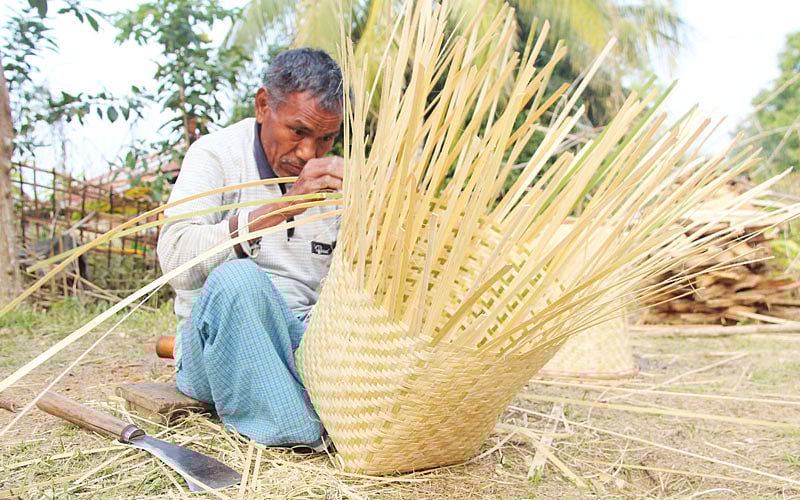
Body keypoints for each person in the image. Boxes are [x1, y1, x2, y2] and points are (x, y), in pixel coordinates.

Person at [156, 48, 344, 450]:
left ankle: (301, 400)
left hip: (303, 342)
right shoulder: (215, 155)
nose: (310, 153)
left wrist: (373, 205)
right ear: (263, 106)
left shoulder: (334, 179)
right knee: (238, 281)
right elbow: (174, 261)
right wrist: (279, 208)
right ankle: (298, 430)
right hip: (216, 344)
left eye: (325, 138)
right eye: (297, 131)